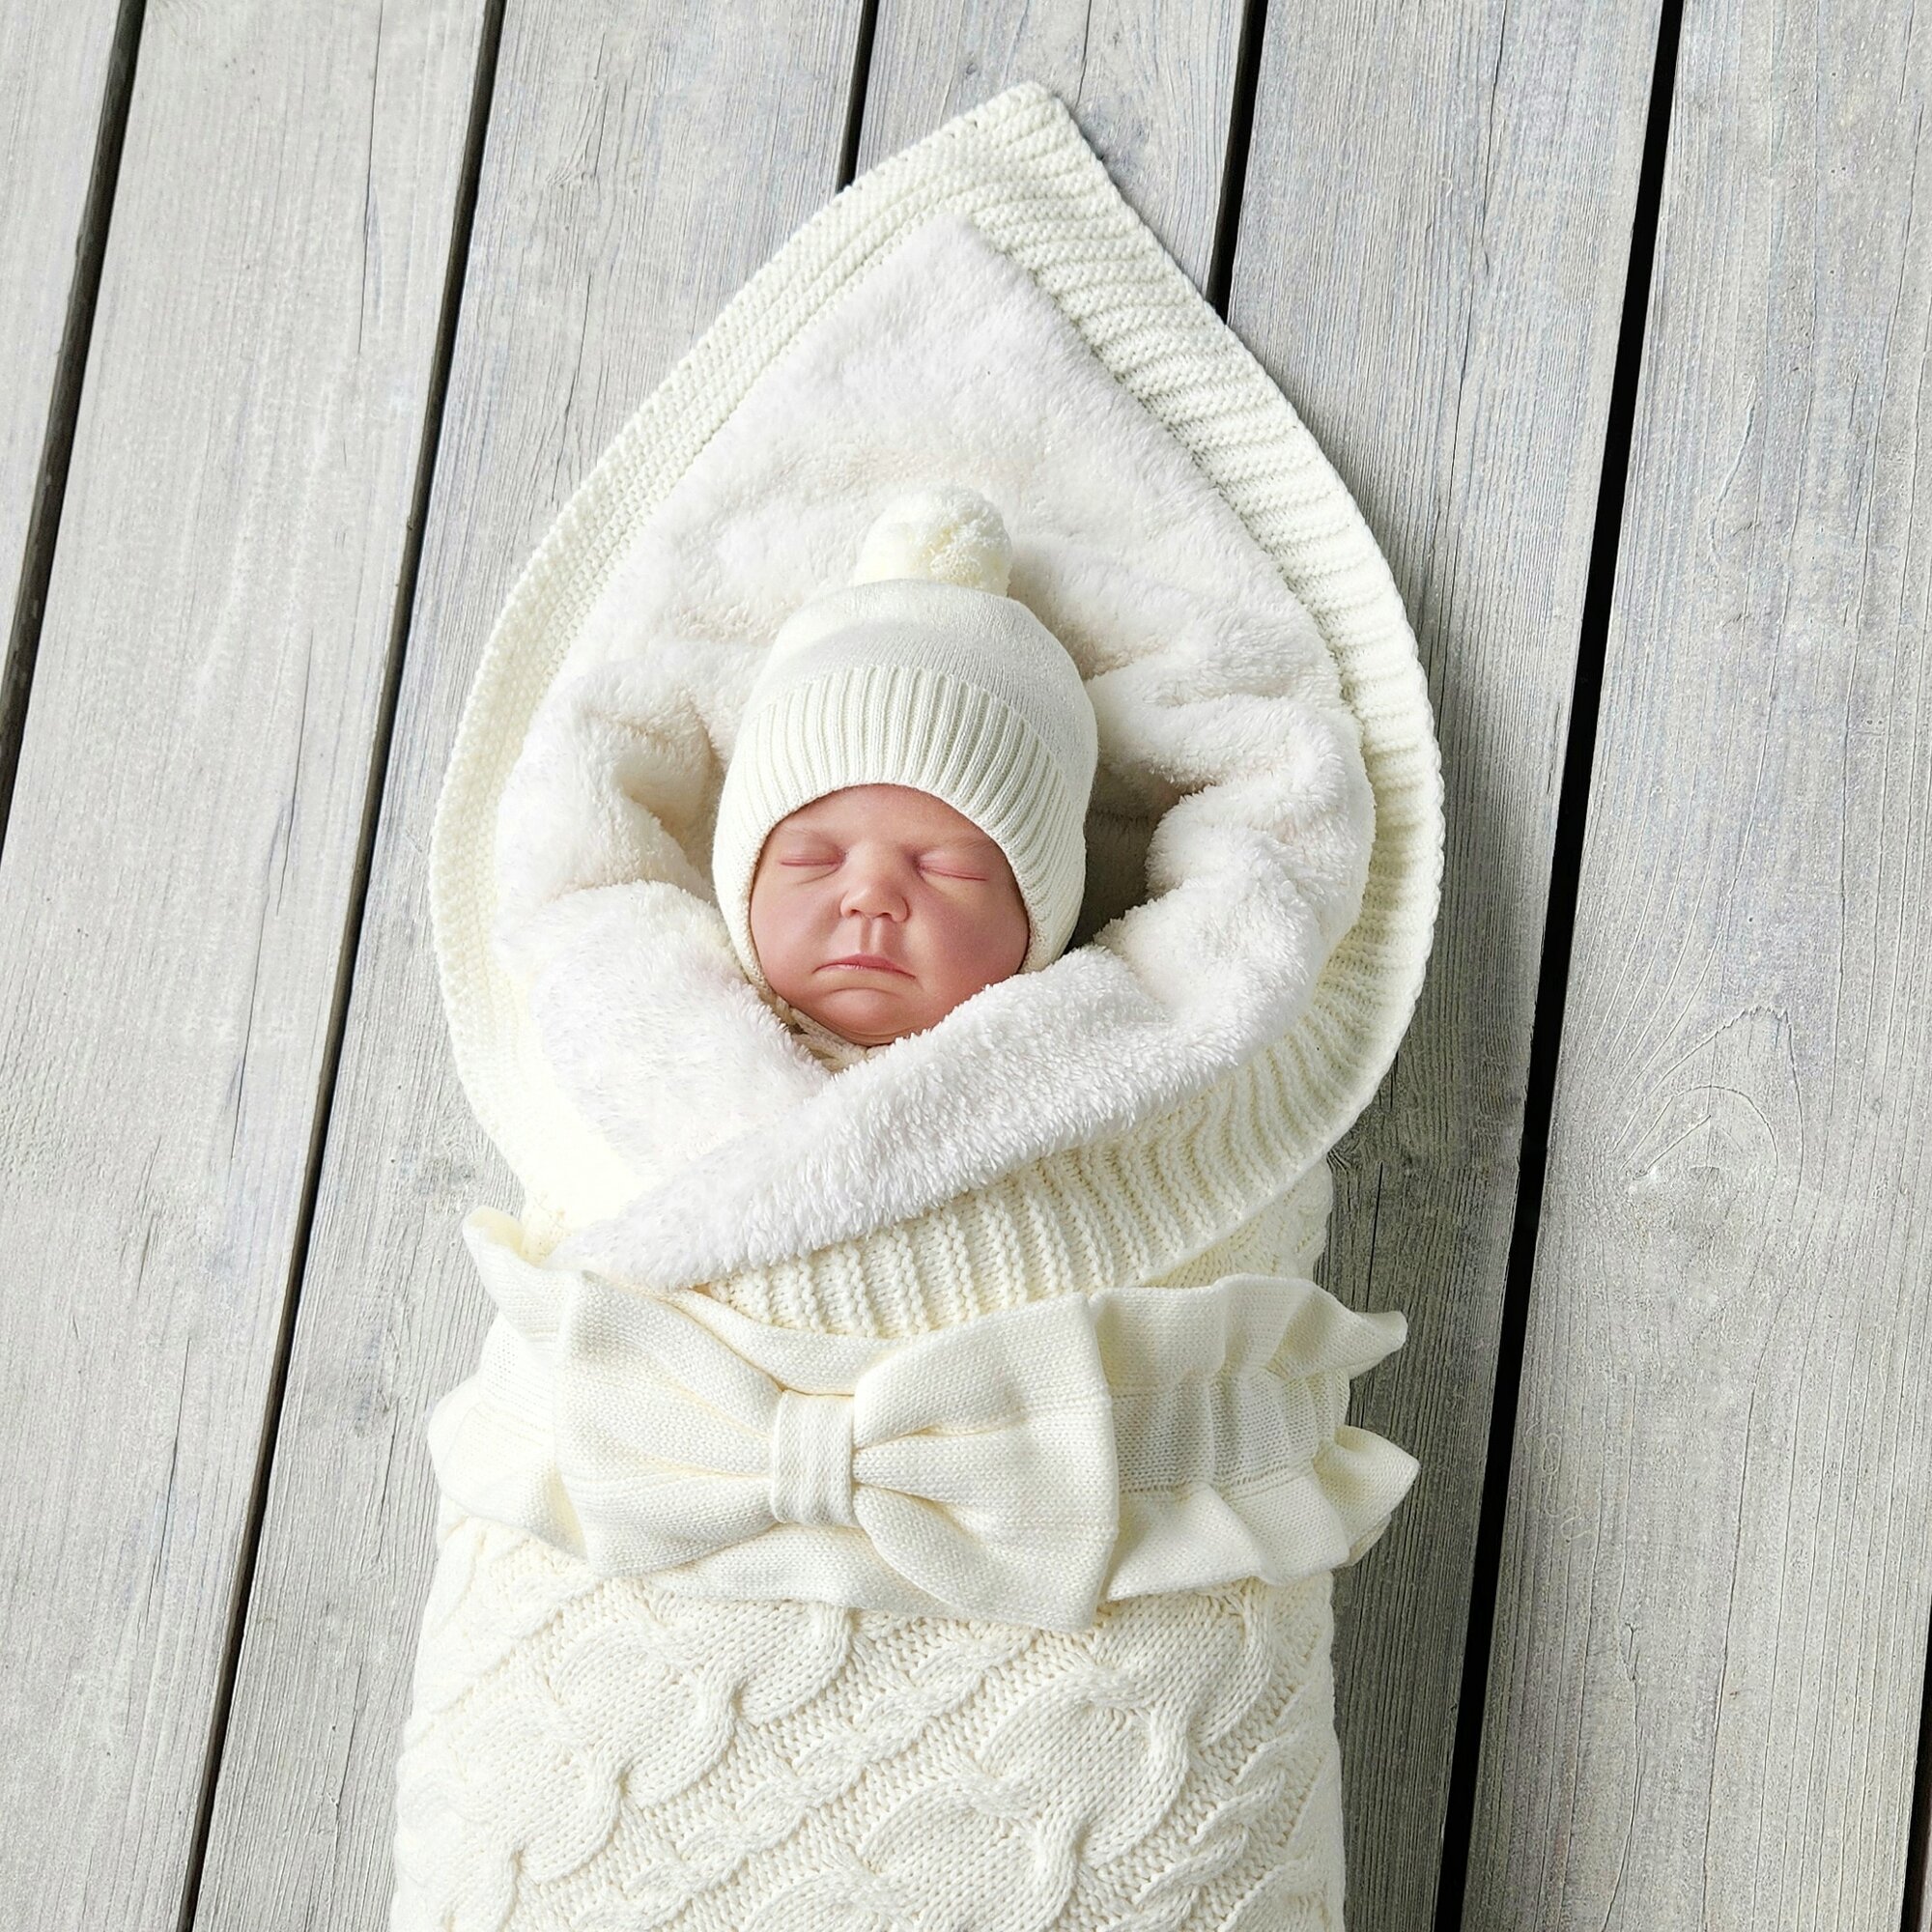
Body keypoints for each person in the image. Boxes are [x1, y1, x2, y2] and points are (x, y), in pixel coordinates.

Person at [708, 483, 1099, 1069]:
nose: (870, 895)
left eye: (949, 869)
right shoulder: (684, 1019)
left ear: (1041, 919)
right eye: (812, 859)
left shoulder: (1085, 1057)